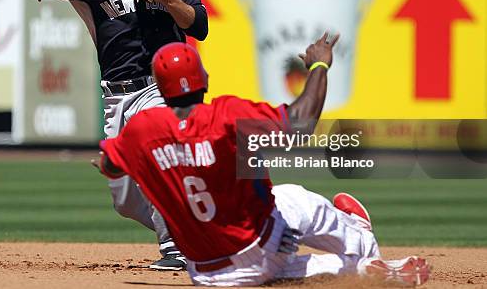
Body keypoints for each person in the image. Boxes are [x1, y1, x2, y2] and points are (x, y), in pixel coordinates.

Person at [96, 35, 430, 286]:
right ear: (203, 79)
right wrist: (319, 65)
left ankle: (356, 271)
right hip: (261, 243)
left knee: (274, 267)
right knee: (296, 199)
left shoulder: (142, 129)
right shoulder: (227, 115)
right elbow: (301, 123)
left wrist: (122, 164)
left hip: (207, 274)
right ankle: (360, 241)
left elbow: (110, 164)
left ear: (160, 86)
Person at [24, 0, 208, 271]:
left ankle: (178, 245)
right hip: (116, 95)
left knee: (158, 162)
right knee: (124, 198)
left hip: (160, 90)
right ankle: (186, 226)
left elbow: (199, 25)